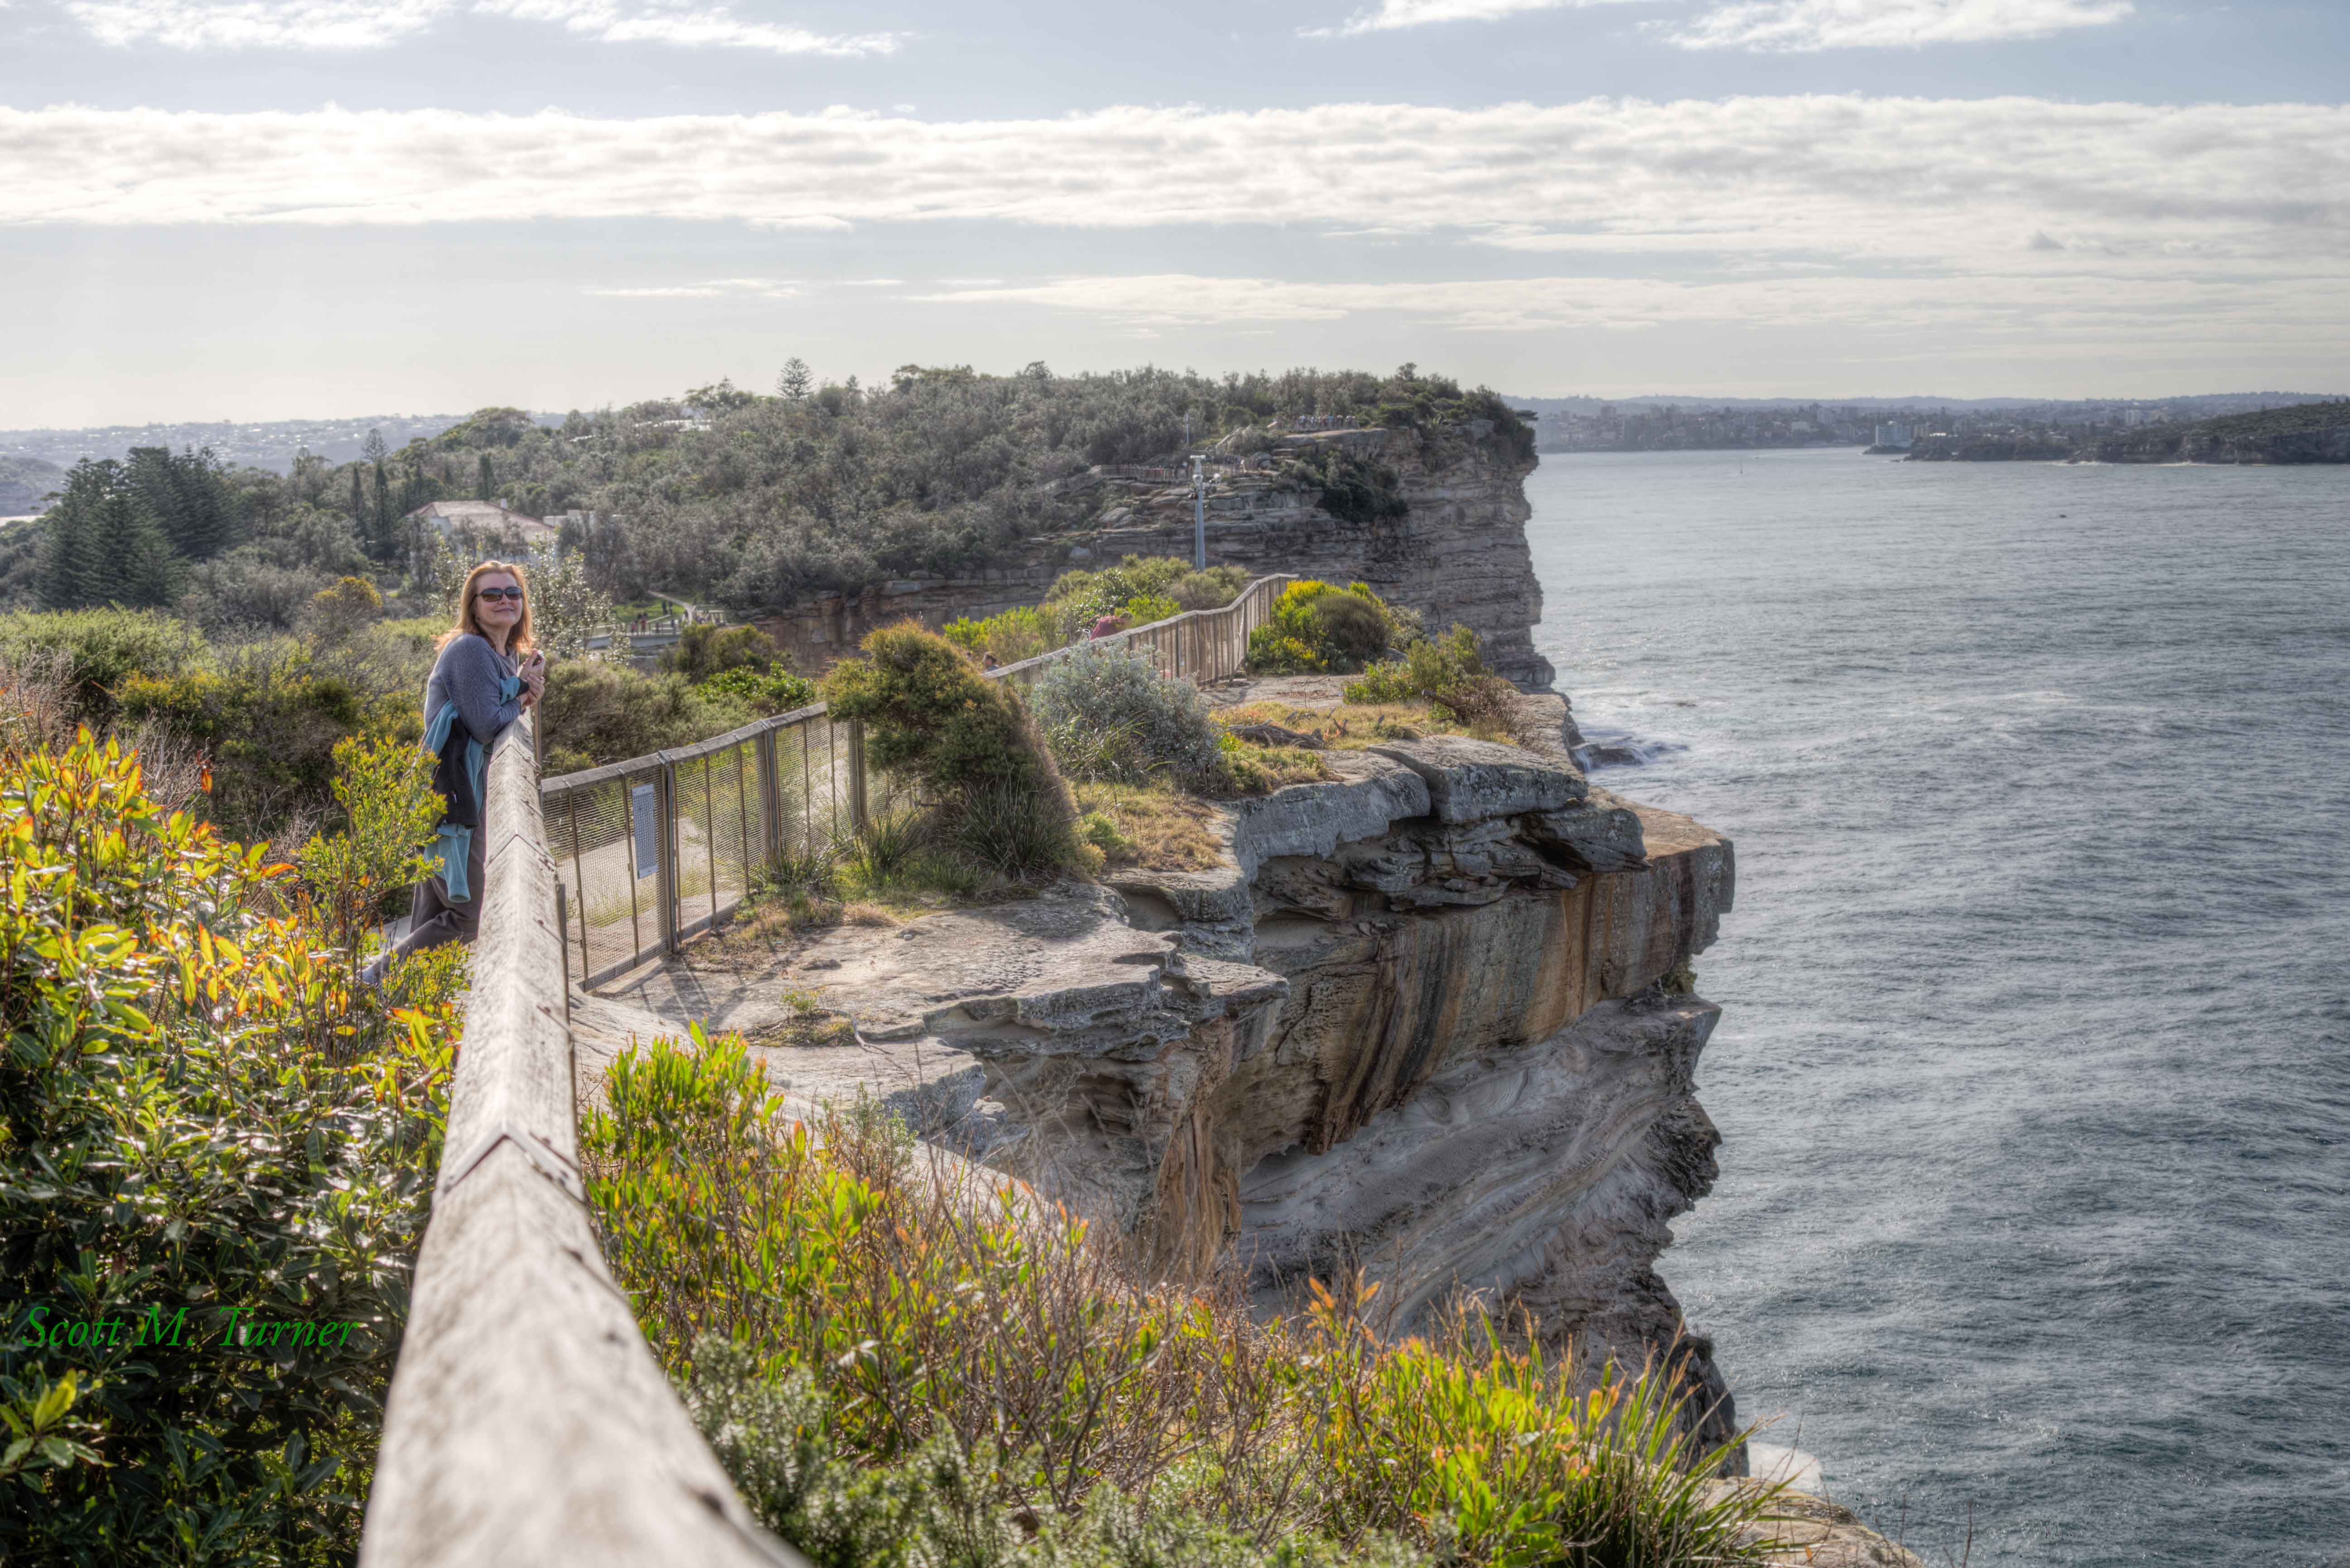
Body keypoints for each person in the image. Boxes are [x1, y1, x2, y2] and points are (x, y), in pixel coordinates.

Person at [360, 560, 547, 986]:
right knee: (468, 914)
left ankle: (394, 1000)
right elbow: (485, 723)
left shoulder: (504, 655)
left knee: (433, 910)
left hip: (456, 793)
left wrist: (522, 689)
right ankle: (372, 980)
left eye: (513, 593)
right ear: (474, 605)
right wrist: (522, 696)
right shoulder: (470, 650)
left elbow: (493, 713)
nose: (505, 600)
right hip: (452, 799)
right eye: (492, 594)